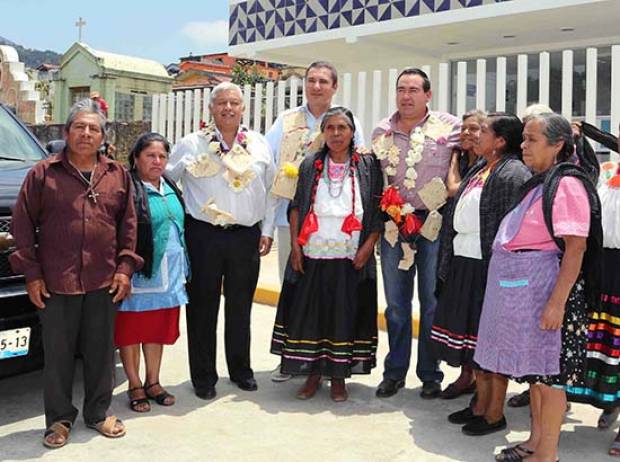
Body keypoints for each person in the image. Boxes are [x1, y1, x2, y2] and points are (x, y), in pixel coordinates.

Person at [9, 99, 142, 448]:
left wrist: (125, 268)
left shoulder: (117, 174)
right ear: (66, 133)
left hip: (103, 279)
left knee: (100, 353)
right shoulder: (43, 174)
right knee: (58, 356)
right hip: (56, 282)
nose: (86, 133)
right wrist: (32, 275)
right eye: (79, 127)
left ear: (103, 136)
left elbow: (129, 225)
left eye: (93, 128)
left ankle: (98, 413)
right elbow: (23, 228)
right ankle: (58, 420)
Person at [474, 112, 602, 462]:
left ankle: (547, 454)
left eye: (531, 139)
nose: (523, 145)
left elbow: (576, 247)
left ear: (558, 144)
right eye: (524, 138)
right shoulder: (541, 181)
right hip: (528, 291)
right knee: (537, 377)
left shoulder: (568, 184)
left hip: (550, 294)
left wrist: (556, 304)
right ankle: (534, 440)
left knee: (551, 379)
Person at [167, 82, 276, 400]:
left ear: (244, 109)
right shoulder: (191, 144)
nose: (228, 108)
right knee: (202, 307)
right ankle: (203, 377)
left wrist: (267, 229)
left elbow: (270, 192)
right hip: (204, 236)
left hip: (246, 235)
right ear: (211, 109)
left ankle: (241, 370)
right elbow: (166, 180)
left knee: (241, 306)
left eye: (234, 103)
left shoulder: (258, 144)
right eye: (222, 103)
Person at [270, 106, 383, 402]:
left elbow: (377, 210)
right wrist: (295, 246)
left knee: (344, 314)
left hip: (351, 254)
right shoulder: (310, 164)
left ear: (351, 132)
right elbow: (296, 207)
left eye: (341, 128)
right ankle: (312, 375)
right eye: (330, 128)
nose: (336, 134)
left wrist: (367, 249)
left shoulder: (368, 165)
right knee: (312, 314)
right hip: (313, 252)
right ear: (323, 133)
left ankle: (338, 377)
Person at [265, 61, 365, 382]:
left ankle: (325, 361)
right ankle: (293, 359)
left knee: (330, 294)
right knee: (293, 289)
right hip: (292, 221)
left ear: (334, 86)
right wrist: (266, 225)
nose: (316, 86)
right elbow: (269, 167)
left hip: (335, 228)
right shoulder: (286, 120)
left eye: (323, 81)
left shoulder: (347, 120)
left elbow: (361, 167)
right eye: (311, 80)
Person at [432, 113, 531, 435]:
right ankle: (479, 405)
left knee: (489, 341)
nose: (476, 135)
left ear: (501, 140)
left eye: (484, 131)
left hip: (487, 267)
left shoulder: (512, 173)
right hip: (465, 263)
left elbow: (511, 229)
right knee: (475, 342)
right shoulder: (481, 167)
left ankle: (493, 413)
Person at [372, 67, 461, 399]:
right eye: (401, 89)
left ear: (428, 94)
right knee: (395, 304)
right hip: (394, 227)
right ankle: (394, 372)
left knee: (432, 301)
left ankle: (429, 373)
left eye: (413, 89)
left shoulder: (449, 127)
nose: (406, 96)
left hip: (433, 225)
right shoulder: (382, 130)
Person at [115, 133, 187, 412]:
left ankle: (153, 381)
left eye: (162, 156)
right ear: (136, 158)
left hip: (169, 275)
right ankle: (134, 384)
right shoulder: (128, 188)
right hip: (138, 274)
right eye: (150, 156)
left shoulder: (169, 185)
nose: (157, 161)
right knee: (131, 329)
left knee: (156, 329)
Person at [439, 109, 486, 400]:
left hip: (478, 253)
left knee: (475, 317)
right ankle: (465, 374)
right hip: (456, 248)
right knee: (459, 315)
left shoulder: (483, 165)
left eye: (474, 129)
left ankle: (478, 379)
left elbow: (453, 189)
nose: (467, 134)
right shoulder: (468, 159)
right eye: (464, 129)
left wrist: (454, 160)